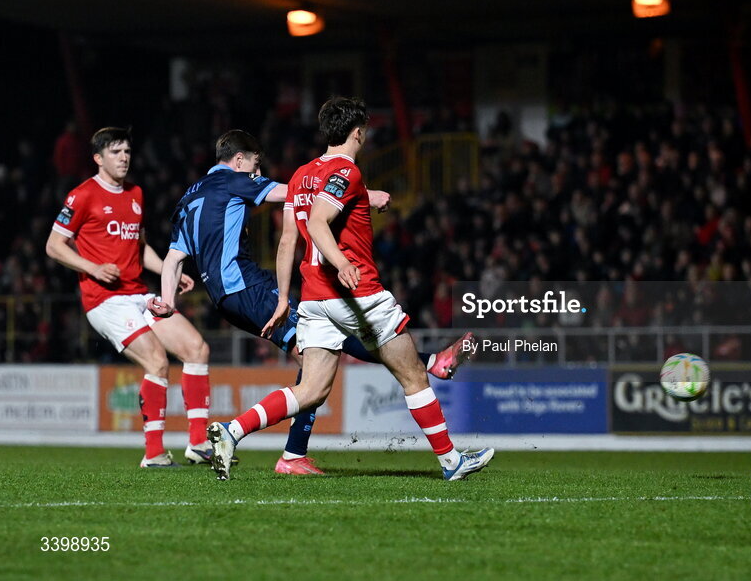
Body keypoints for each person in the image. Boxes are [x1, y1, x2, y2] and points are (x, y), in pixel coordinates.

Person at [149, 129, 474, 474]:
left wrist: (168, 302)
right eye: (255, 166)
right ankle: (428, 363)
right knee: (321, 348)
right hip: (248, 286)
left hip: (225, 298)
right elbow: (298, 194)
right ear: (239, 160)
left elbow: (173, 259)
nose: (258, 175)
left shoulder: (189, 197)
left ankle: (292, 455)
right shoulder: (233, 181)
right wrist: (364, 195)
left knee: (317, 352)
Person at [45, 127, 212, 468]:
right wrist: (91, 267)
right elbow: (53, 246)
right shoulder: (82, 195)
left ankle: (198, 444)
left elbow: (139, 246)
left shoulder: (135, 193)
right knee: (157, 361)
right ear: (98, 158)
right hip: (104, 300)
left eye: (127, 152)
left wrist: (170, 270)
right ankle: (153, 453)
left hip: (137, 294)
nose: (123, 158)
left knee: (197, 348)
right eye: (115, 152)